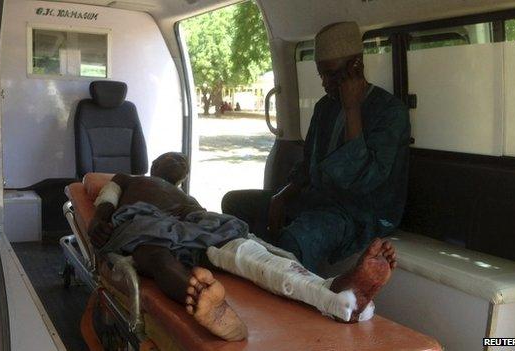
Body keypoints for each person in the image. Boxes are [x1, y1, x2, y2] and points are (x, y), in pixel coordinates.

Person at [88, 152, 398, 341]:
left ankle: (335, 293)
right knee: (156, 258)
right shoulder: (129, 179)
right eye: (170, 157)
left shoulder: (187, 196)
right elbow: (107, 197)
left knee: (253, 255)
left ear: (182, 178)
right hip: (146, 221)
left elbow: (200, 216)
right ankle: (202, 300)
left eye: (179, 161)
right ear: (154, 164)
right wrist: (100, 219)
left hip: (198, 219)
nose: (176, 161)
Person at [222, 21, 411, 273]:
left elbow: (362, 180)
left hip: (359, 214)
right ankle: (249, 273)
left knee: (295, 239)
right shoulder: (325, 107)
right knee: (234, 203)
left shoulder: (390, 112)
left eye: (331, 74)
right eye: (321, 74)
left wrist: (351, 108)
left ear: (356, 66)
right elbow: (308, 165)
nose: (324, 83)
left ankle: (286, 298)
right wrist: (283, 195)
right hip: (317, 199)